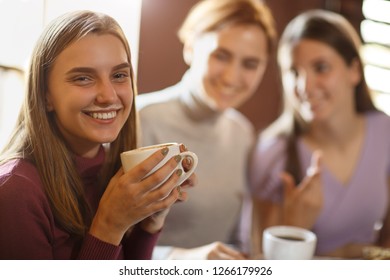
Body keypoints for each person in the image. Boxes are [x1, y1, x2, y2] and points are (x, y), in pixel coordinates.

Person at [0, 10, 196, 260]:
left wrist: (149, 223)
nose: (108, 96)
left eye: (119, 75)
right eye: (83, 78)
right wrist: (109, 226)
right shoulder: (14, 191)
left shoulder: (108, 168)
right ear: (45, 95)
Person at [244, 9, 390, 259]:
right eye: (294, 72)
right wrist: (294, 227)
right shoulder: (272, 153)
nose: (305, 87)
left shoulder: (384, 131)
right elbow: (262, 264)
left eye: (321, 68)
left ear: (354, 70)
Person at [136, 0, 276, 259]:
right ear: (190, 48)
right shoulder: (139, 120)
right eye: (221, 55)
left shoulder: (242, 133)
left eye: (250, 64)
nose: (233, 76)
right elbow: (109, 242)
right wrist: (181, 259)